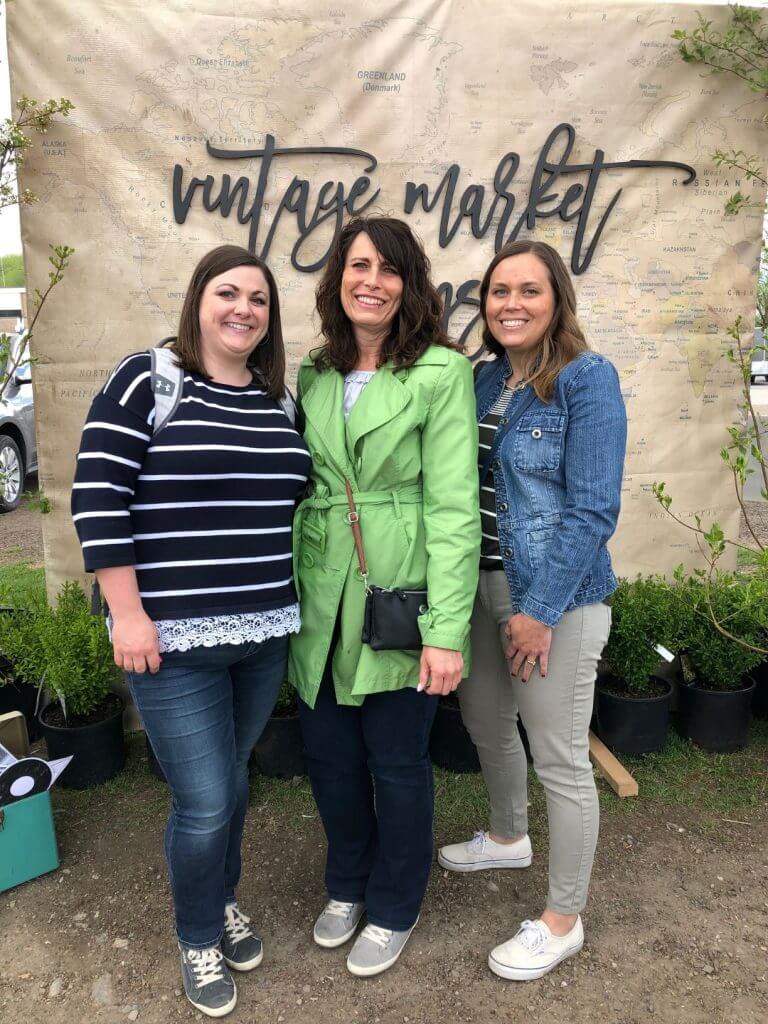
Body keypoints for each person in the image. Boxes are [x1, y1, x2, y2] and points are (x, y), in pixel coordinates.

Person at [71, 245, 310, 1018]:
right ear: (198, 301)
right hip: (170, 642)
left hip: (262, 632)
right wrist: (128, 613)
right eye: (228, 292)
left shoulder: (280, 402)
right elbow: (98, 495)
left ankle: (221, 895)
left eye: (260, 300)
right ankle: (198, 930)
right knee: (205, 800)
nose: (244, 309)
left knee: (233, 780)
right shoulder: (148, 381)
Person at [288, 216, 480, 977]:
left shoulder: (440, 371)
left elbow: (455, 508)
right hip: (320, 597)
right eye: (357, 265)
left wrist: (446, 631)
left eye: (388, 268)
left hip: (402, 592)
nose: (371, 280)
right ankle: (347, 883)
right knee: (330, 757)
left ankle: (396, 901)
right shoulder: (313, 372)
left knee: (396, 759)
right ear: (338, 278)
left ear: (410, 284)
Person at [438, 240, 626, 981]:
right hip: (480, 587)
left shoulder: (586, 379)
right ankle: (509, 836)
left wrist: (539, 610)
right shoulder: (485, 380)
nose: (510, 304)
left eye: (529, 290)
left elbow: (592, 509)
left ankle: (562, 917)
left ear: (558, 300)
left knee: (559, 755)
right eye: (498, 291)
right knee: (486, 722)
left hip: (555, 596)